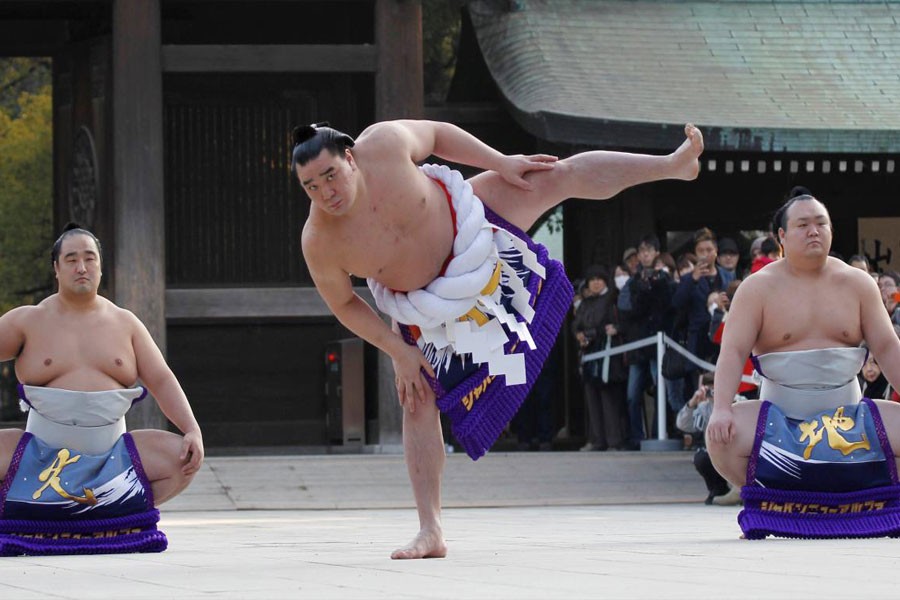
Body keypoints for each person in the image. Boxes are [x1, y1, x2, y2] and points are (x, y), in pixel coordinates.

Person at [293, 119, 704, 558]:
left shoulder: (384, 144)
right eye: (311, 187)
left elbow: (438, 135)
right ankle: (430, 529)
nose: (325, 193)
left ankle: (671, 164)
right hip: (422, 310)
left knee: (551, 177)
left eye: (330, 175)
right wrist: (398, 350)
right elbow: (344, 305)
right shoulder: (319, 240)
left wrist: (500, 162)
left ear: (350, 159)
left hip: (473, 226)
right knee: (416, 400)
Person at [0, 226, 204, 556]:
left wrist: (192, 429)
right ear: (56, 268)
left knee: (183, 457)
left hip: (111, 460)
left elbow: (162, 380)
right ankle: (81, 513)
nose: (82, 267)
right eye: (71, 259)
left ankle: (105, 513)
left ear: (100, 265)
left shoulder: (126, 323)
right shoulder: (27, 321)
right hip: (37, 457)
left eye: (89, 258)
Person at [706, 194, 900, 539]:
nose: (814, 231)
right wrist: (722, 407)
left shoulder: (858, 283)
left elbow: (887, 348)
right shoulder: (757, 288)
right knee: (721, 436)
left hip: (849, 417)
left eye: (821, 223)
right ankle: (778, 498)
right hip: (779, 417)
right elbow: (733, 352)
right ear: (781, 236)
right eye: (803, 224)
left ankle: (858, 498)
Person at [619, 234, 675, 449]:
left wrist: (657, 284)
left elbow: (668, 306)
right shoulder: (633, 281)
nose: (645, 255)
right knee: (633, 394)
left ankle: (656, 434)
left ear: (656, 253)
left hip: (658, 343)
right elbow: (628, 310)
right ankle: (636, 436)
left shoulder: (665, 278)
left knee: (660, 389)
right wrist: (642, 289)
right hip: (637, 344)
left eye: (649, 251)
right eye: (642, 251)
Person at [573, 265, 627, 451]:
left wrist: (593, 334)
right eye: (592, 279)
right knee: (592, 399)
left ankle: (614, 441)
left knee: (609, 399)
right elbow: (576, 324)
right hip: (588, 356)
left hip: (608, 356)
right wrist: (579, 335)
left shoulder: (613, 298)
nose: (596, 283)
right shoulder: (586, 302)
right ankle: (596, 440)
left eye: (599, 279)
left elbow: (615, 323)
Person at [676, 371, 742, 505]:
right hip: (717, 450)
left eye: (716, 389)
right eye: (710, 390)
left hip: (737, 448)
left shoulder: (739, 401)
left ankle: (741, 491)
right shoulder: (704, 408)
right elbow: (684, 425)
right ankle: (718, 489)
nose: (713, 393)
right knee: (701, 457)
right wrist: (692, 403)